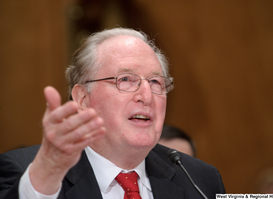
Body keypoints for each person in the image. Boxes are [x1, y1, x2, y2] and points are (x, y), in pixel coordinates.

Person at [0, 27, 225, 199]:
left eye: (155, 82)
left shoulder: (199, 178)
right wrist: (45, 177)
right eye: (125, 79)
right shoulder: (25, 172)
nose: (146, 96)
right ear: (82, 99)